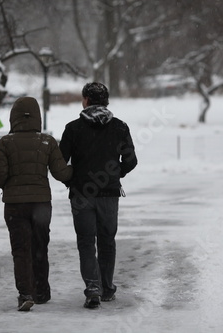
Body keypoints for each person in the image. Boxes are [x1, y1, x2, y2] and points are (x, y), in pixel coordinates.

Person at [60, 82, 137, 309]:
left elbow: (60, 163)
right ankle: (107, 288)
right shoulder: (120, 127)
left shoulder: (73, 129)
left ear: (86, 100)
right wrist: (115, 174)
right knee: (107, 241)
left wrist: (71, 181)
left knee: (86, 242)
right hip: (109, 194)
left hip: (82, 194)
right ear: (106, 101)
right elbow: (131, 160)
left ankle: (92, 287)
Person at [0, 96, 72, 311]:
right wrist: (79, 172)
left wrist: (10, 185)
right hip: (41, 204)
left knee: (20, 249)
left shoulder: (5, 143)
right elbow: (61, 173)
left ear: (13, 117)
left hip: (14, 206)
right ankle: (41, 291)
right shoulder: (47, 142)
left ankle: (25, 293)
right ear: (37, 117)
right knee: (39, 247)